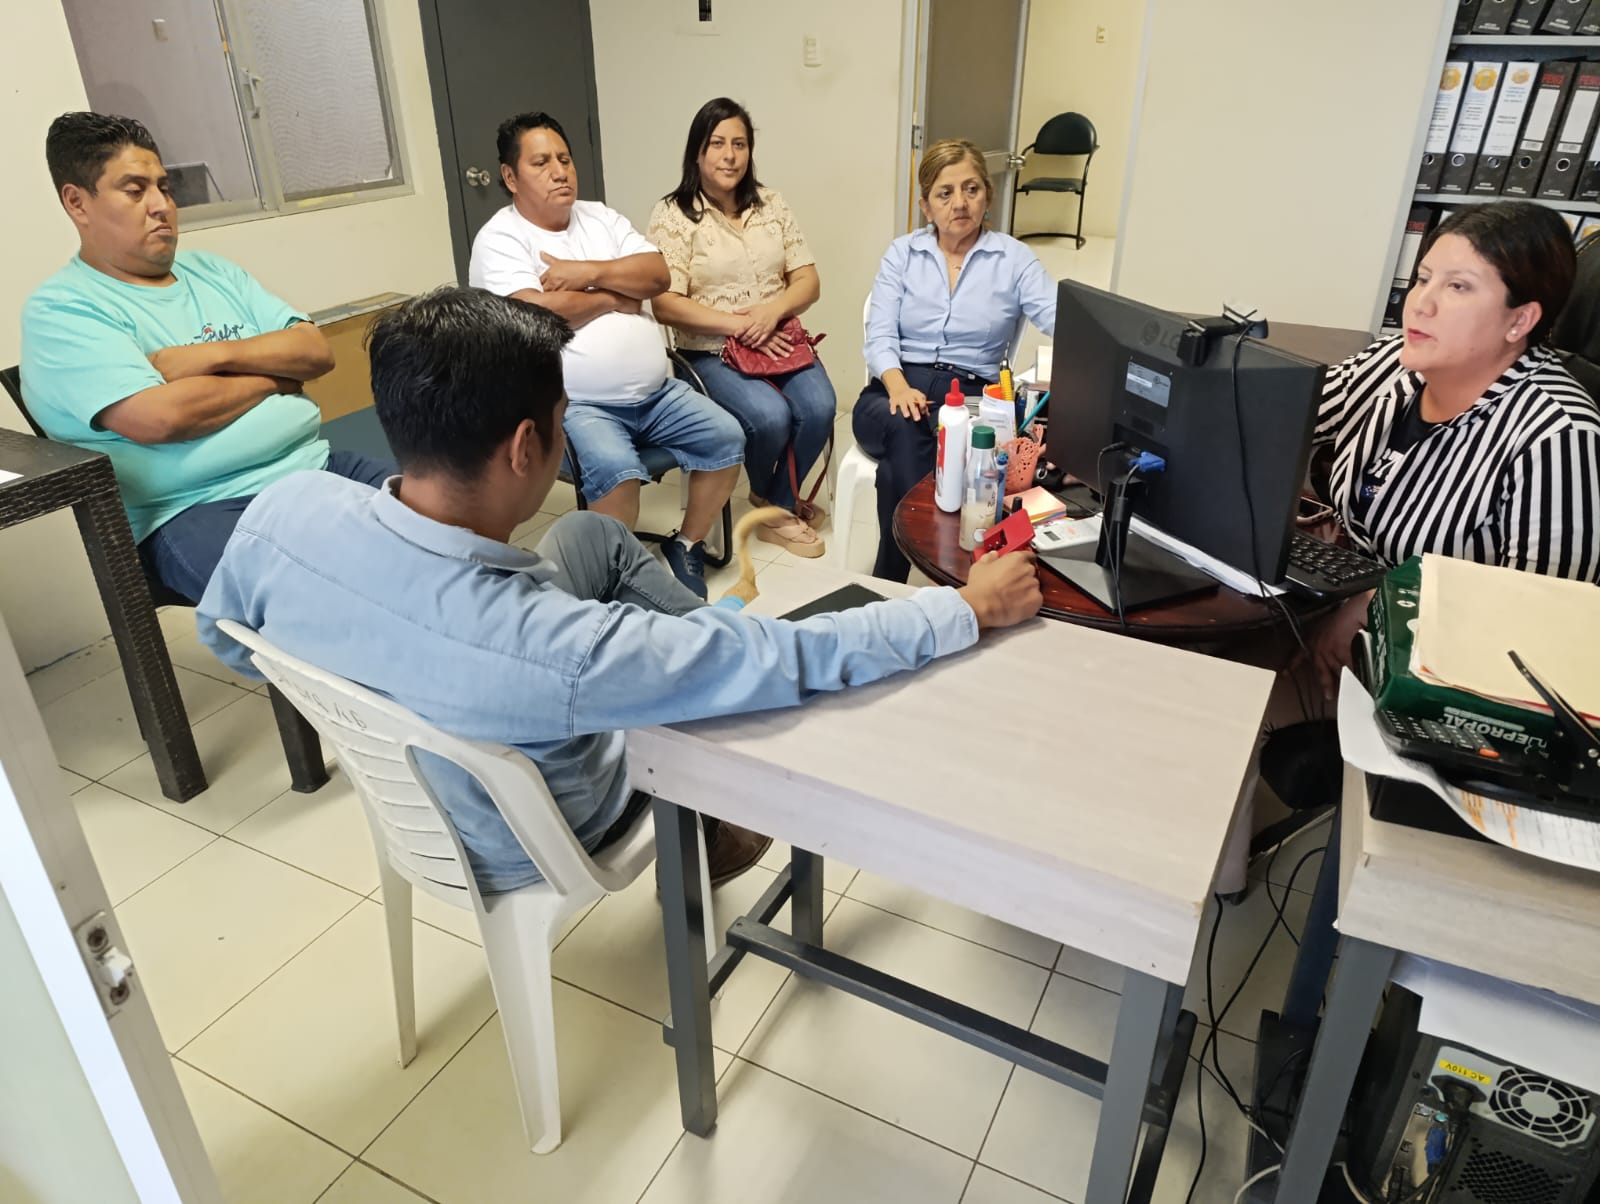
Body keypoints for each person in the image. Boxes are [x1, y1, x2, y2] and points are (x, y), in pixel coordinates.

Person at [194, 287, 1043, 894]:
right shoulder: (562, 651)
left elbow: (227, 639)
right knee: (746, 669)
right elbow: (785, 657)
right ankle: (712, 763)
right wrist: (967, 606)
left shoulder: (287, 510)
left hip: (424, 772)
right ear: (527, 447)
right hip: (539, 826)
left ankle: (699, 637)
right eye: (564, 419)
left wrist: (382, 677)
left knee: (591, 537)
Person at [19, 111, 393, 604]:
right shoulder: (64, 310)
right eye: (135, 190)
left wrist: (210, 357)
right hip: (199, 509)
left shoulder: (214, 272)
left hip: (317, 466)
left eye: (164, 187)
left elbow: (313, 351)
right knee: (348, 603)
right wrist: (274, 379)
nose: (162, 206)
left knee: (454, 533)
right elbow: (162, 417)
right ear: (77, 202)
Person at [1301, 200, 1600, 701]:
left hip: (1445, 686)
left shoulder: (1557, 434)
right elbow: (1275, 419)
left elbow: (1541, 620)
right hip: (1336, 625)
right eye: (1423, 279)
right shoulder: (1394, 363)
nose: (1421, 303)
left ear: (1520, 319)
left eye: (1457, 286)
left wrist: (1382, 601)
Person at [468, 111, 743, 598]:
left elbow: (656, 275)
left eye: (565, 159)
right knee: (617, 473)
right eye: (541, 163)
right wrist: (612, 296)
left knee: (726, 437)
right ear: (510, 177)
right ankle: (616, 579)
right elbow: (533, 315)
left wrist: (586, 273)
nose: (560, 171)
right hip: (576, 403)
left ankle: (687, 544)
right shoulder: (500, 238)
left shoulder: (600, 217)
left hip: (658, 393)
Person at [852, 138, 1057, 582]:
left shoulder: (1014, 259)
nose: (959, 203)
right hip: (891, 390)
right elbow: (880, 333)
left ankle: (890, 575)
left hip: (969, 396)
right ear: (925, 206)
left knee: (908, 454)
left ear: (988, 195)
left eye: (971, 189)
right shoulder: (902, 254)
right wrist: (897, 386)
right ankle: (946, 571)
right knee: (908, 426)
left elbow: (1062, 318)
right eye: (944, 193)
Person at [649, 98, 836, 558]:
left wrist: (771, 313)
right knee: (770, 416)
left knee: (820, 406)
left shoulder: (772, 204)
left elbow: (808, 281)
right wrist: (738, 325)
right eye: (717, 144)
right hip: (708, 351)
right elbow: (665, 303)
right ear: (697, 152)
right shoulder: (673, 215)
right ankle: (777, 504)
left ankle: (774, 504)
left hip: (777, 338)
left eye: (740, 144)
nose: (730, 156)